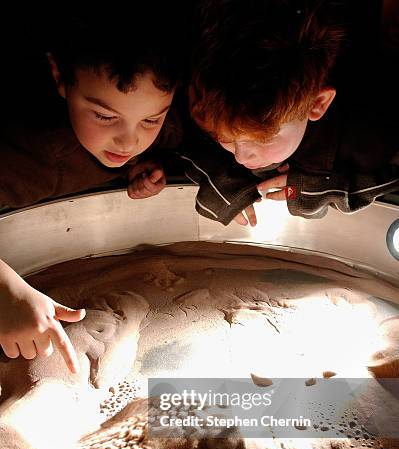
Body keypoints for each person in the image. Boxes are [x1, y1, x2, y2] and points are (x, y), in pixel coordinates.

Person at [0, 5, 186, 372]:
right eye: (104, 116)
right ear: (60, 76)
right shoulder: (28, 150)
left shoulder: (162, 129)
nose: (129, 139)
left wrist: (148, 167)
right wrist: (6, 291)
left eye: (151, 119)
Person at [182, 0, 399, 227]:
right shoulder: (210, 98)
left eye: (262, 139)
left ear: (317, 105)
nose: (241, 157)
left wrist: (326, 187)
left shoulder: (365, 137)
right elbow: (187, 144)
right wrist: (217, 180)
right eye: (222, 136)